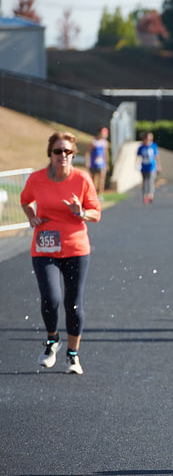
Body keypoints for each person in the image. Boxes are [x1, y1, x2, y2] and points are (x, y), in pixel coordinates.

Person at [20, 132, 102, 375]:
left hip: (76, 248)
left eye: (67, 151)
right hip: (45, 247)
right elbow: (25, 201)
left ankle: (73, 355)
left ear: (73, 154)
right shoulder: (36, 179)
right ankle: (52, 340)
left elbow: (96, 213)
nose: (63, 156)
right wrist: (31, 216)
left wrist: (81, 212)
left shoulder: (82, 179)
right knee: (50, 299)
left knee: (73, 304)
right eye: (58, 151)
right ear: (50, 154)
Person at [136, 132, 161, 205]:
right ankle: (145, 195)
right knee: (144, 182)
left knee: (151, 181)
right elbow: (138, 156)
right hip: (144, 166)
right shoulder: (141, 147)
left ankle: (151, 195)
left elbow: (156, 156)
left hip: (152, 166)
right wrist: (137, 165)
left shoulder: (153, 146)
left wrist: (158, 165)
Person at [85, 127, 109, 201]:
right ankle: (92, 194)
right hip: (94, 163)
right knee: (93, 180)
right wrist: (87, 162)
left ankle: (100, 195)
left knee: (101, 180)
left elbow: (106, 153)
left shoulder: (105, 143)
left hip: (102, 164)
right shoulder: (94, 142)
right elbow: (88, 152)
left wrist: (107, 163)